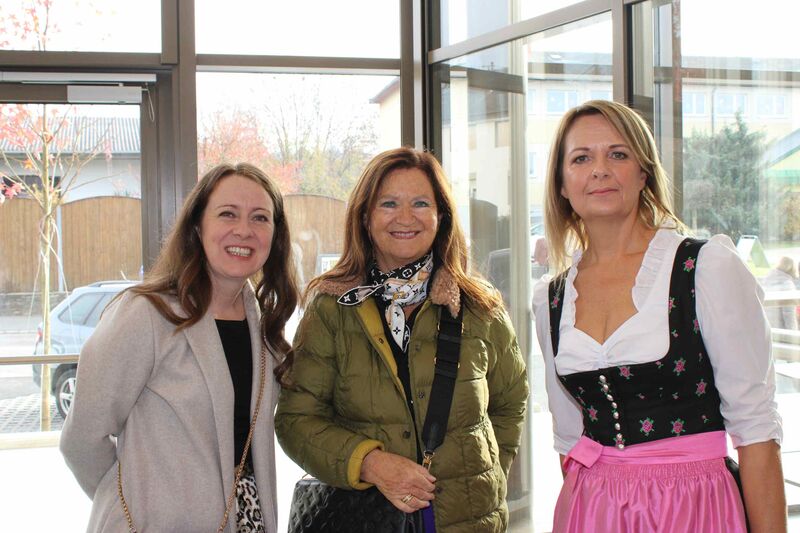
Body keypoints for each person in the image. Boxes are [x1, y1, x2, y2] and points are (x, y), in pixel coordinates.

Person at [532, 100, 786, 533]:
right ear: (561, 184)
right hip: (593, 510)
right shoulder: (550, 299)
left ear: (643, 173)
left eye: (618, 154)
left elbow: (756, 430)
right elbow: (569, 440)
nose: (600, 170)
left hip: (695, 507)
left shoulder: (705, 269)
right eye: (581, 158)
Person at [275, 147, 528, 532]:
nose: (405, 217)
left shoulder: (480, 307)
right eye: (389, 203)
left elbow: (511, 401)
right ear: (365, 217)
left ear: (441, 217)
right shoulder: (332, 309)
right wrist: (370, 464)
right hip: (365, 522)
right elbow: (296, 420)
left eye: (421, 203)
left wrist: (486, 473)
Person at [60, 163, 299, 533]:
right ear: (197, 227)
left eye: (260, 218)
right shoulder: (145, 314)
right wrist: (136, 502)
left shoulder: (265, 327)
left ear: (275, 234)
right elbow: (81, 440)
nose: (244, 230)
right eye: (228, 214)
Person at [761, 256, 798, 330]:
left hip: (765, 329)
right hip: (780, 331)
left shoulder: (765, 282)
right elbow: (789, 315)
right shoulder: (788, 286)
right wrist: (794, 334)